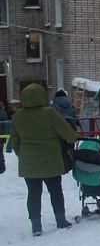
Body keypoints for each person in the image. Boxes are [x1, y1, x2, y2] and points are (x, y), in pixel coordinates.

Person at [10, 83, 78, 236]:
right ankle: (61, 221)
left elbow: (15, 142)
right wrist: (73, 137)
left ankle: (36, 227)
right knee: (55, 191)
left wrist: (23, 155)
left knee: (33, 193)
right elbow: (68, 134)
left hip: (29, 162)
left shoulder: (17, 116)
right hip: (51, 160)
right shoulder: (50, 113)